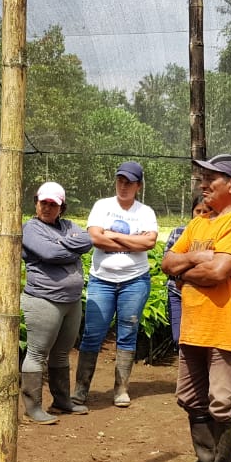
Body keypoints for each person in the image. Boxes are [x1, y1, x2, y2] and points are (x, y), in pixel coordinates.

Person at [162, 154, 231, 462]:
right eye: (202, 178)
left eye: (211, 179)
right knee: (190, 397)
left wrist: (182, 274)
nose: (203, 185)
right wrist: (195, 259)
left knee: (224, 402)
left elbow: (218, 272)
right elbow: (166, 262)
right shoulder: (200, 223)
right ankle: (204, 461)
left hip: (226, 327)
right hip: (194, 326)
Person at [72, 161, 160, 409]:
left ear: (138, 186)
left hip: (135, 281)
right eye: (120, 181)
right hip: (102, 280)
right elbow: (95, 238)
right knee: (92, 334)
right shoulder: (103, 206)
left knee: (128, 333)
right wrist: (132, 240)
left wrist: (112, 234)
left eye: (129, 182)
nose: (124, 186)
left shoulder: (145, 212)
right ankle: (81, 388)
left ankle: (121, 389)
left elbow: (149, 243)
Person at [20, 182, 94, 422]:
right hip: (44, 299)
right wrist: (70, 248)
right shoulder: (31, 228)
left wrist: (60, 246)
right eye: (44, 203)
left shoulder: (69, 226)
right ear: (36, 203)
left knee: (61, 353)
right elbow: (50, 254)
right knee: (37, 353)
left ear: (62, 207)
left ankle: (62, 401)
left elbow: (88, 240)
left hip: (71, 301)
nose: (47, 208)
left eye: (53, 204)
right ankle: (33, 407)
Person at [165, 193, 212, 348]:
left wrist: (182, 268)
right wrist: (196, 261)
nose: (201, 215)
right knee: (179, 338)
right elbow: (168, 265)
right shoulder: (178, 232)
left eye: (206, 211)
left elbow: (212, 266)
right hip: (177, 293)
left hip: (203, 295)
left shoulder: (214, 234)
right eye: (198, 211)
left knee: (199, 340)